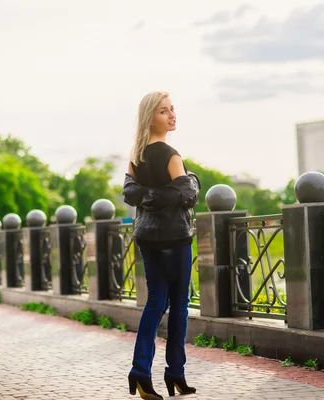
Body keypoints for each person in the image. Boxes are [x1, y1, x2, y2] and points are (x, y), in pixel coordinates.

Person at [123, 91, 200, 400]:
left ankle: (141, 371)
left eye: (172, 109)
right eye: (164, 111)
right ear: (150, 118)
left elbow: (130, 192)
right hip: (175, 237)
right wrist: (192, 179)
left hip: (147, 236)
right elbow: (187, 196)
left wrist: (150, 195)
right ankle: (175, 372)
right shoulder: (171, 155)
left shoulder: (136, 155)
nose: (172, 115)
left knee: (155, 302)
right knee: (179, 304)